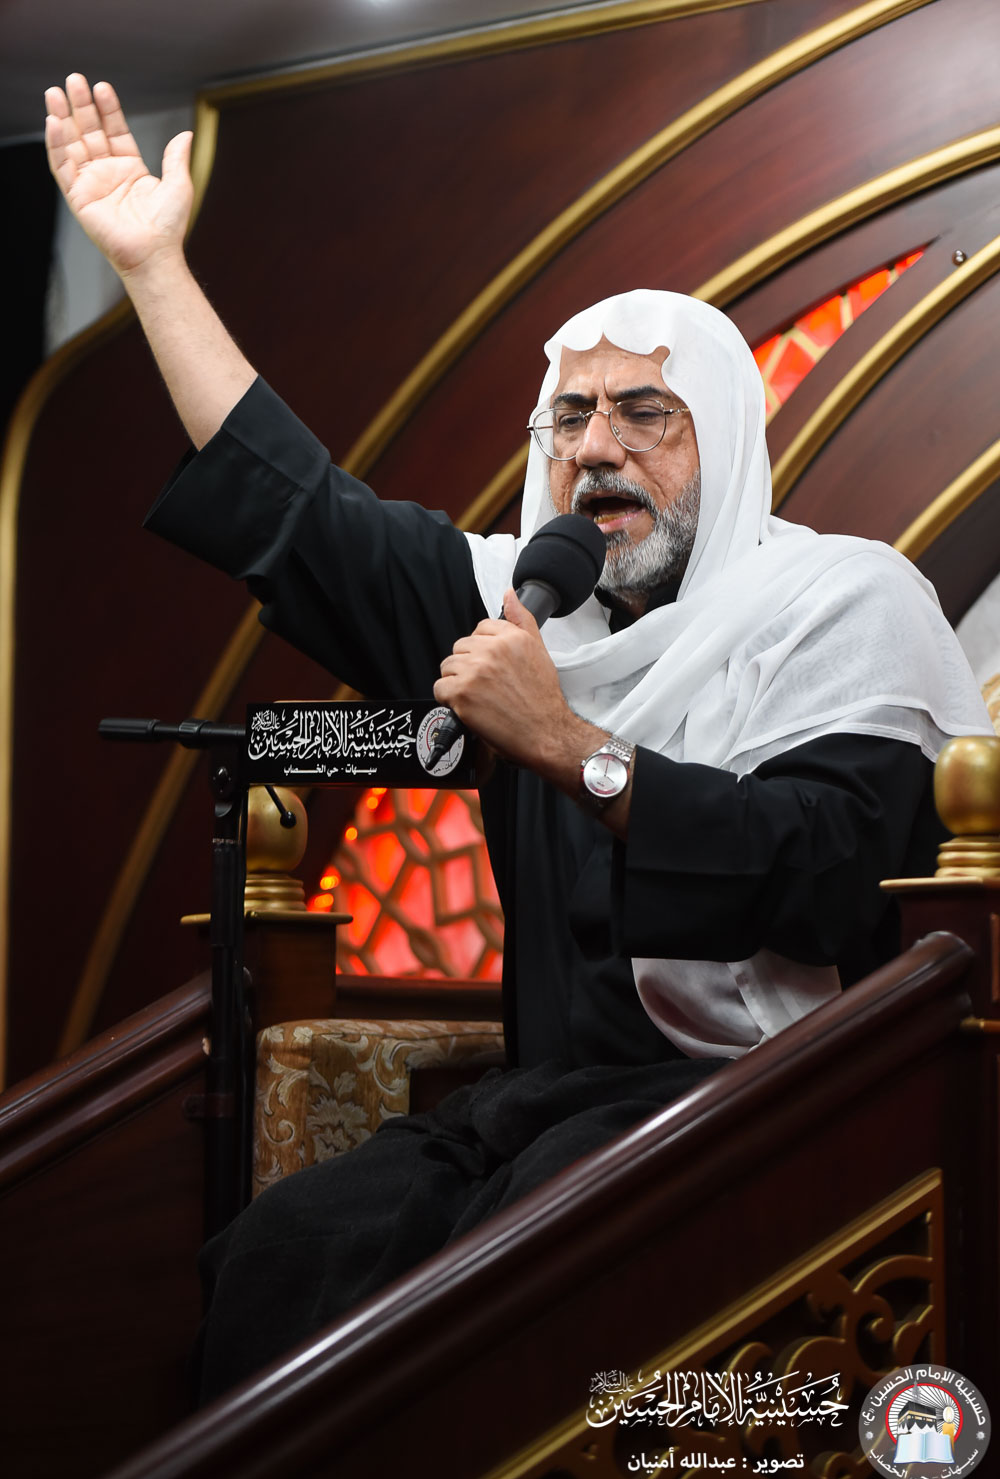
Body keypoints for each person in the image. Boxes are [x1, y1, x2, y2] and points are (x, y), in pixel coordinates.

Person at [45, 76, 993, 1399]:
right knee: (286, 1252)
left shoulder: (841, 603)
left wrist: (570, 747)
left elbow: (827, 877)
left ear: (727, 443)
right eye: (571, 418)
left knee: (502, 1307)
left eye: (646, 415)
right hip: (552, 1097)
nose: (599, 449)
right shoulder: (522, 604)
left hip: (770, 1105)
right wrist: (153, 270)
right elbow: (299, 513)